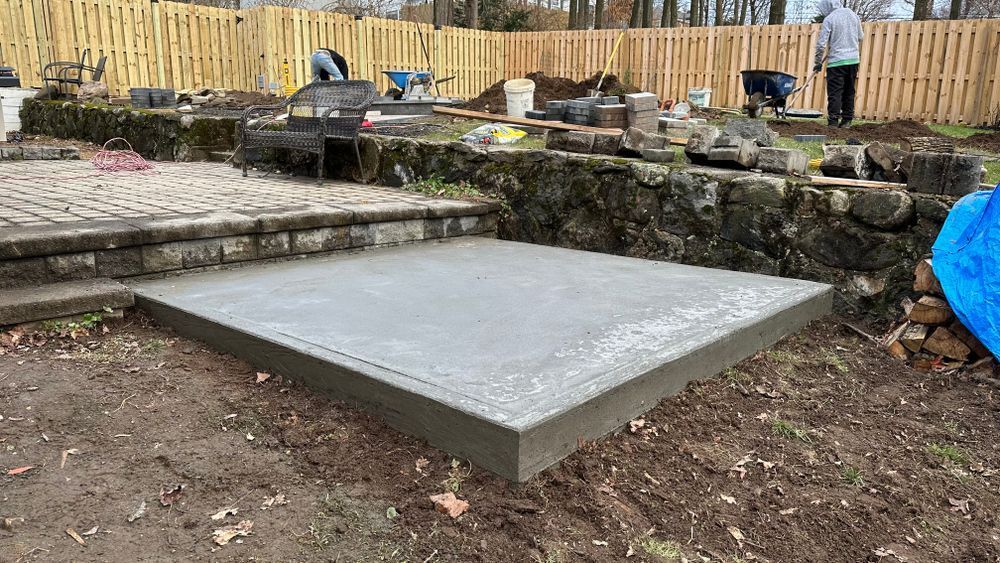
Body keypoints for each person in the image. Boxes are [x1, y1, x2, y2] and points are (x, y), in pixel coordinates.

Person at [813, 0, 862, 128]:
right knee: (849, 91)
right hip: (853, 60)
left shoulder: (830, 19)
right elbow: (860, 36)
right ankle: (847, 121)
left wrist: (817, 62)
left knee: (835, 92)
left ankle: (833, 122)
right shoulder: (853, 15)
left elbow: (821, 44)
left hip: (836, 62)